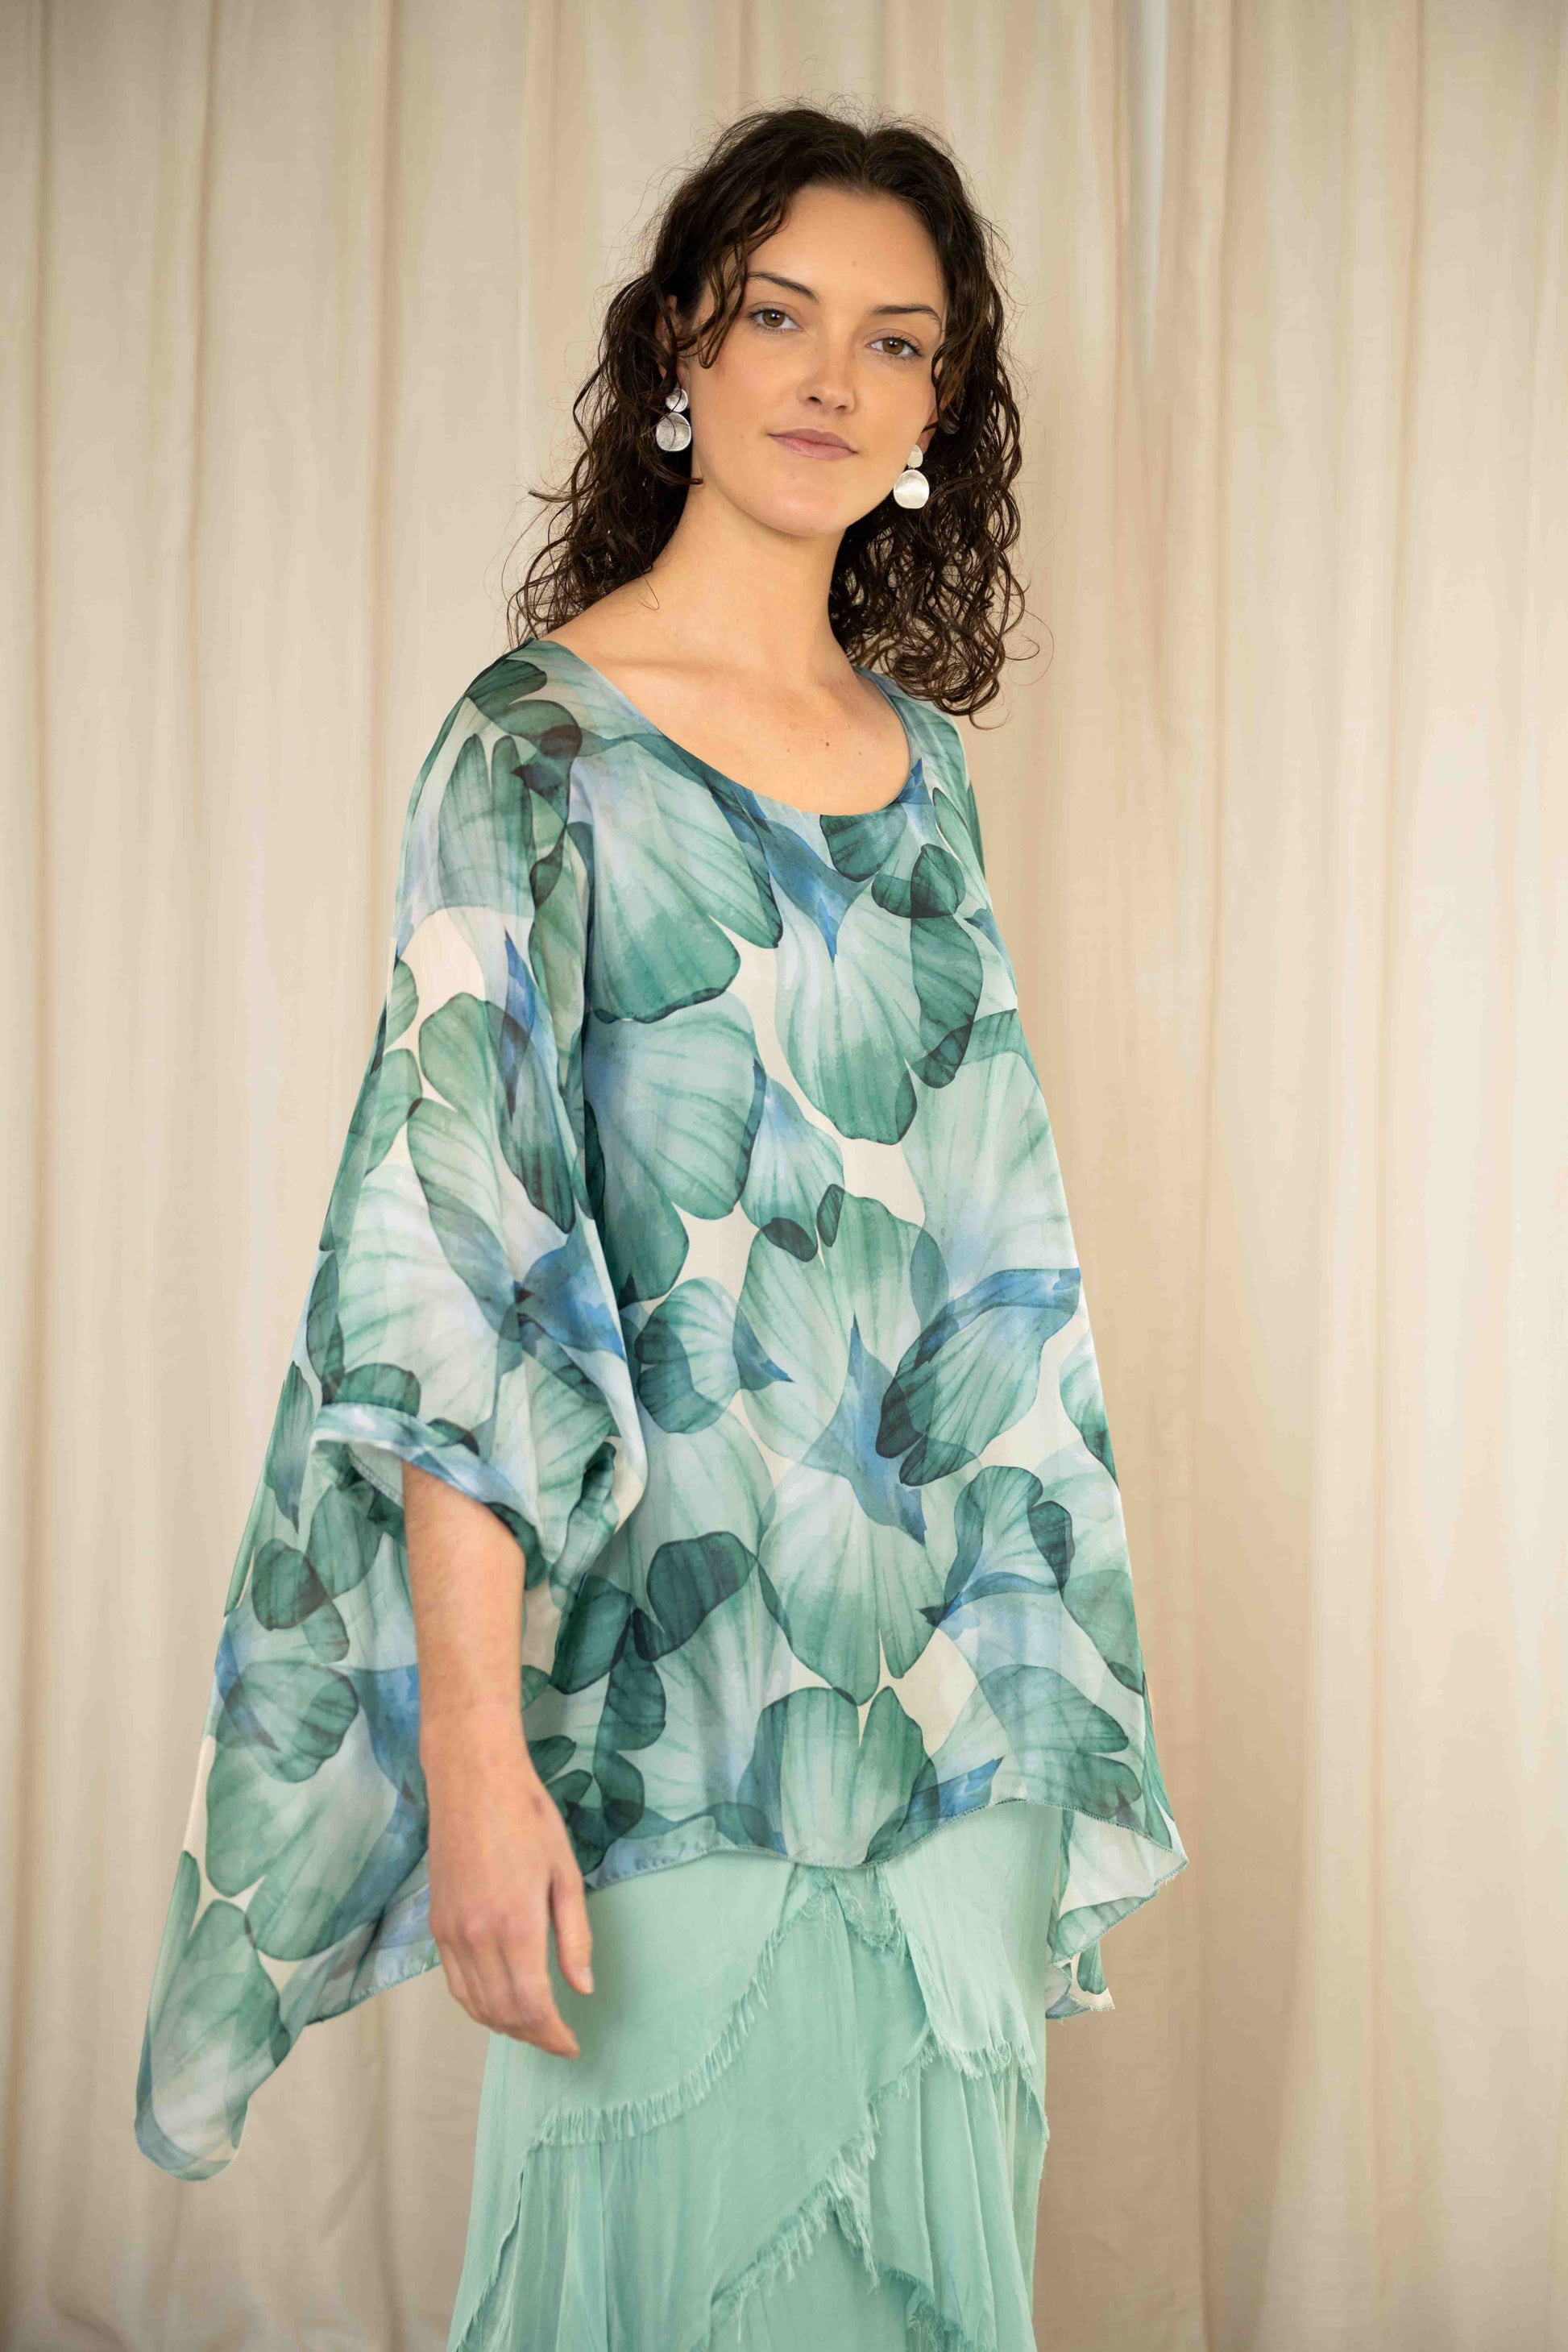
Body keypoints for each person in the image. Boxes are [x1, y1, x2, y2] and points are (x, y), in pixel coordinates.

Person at [135, 102, 1188, 2351]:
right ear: (681, 352)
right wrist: (473, 1749)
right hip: (665, 1708)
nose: (834, 376)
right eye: (779, 315)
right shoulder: (530, 752)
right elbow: (445, 1277)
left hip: (956, 1700)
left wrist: (1041, 1671)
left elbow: (980, 1250)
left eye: (896, 341)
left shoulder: (928, 771)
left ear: (940, 411)